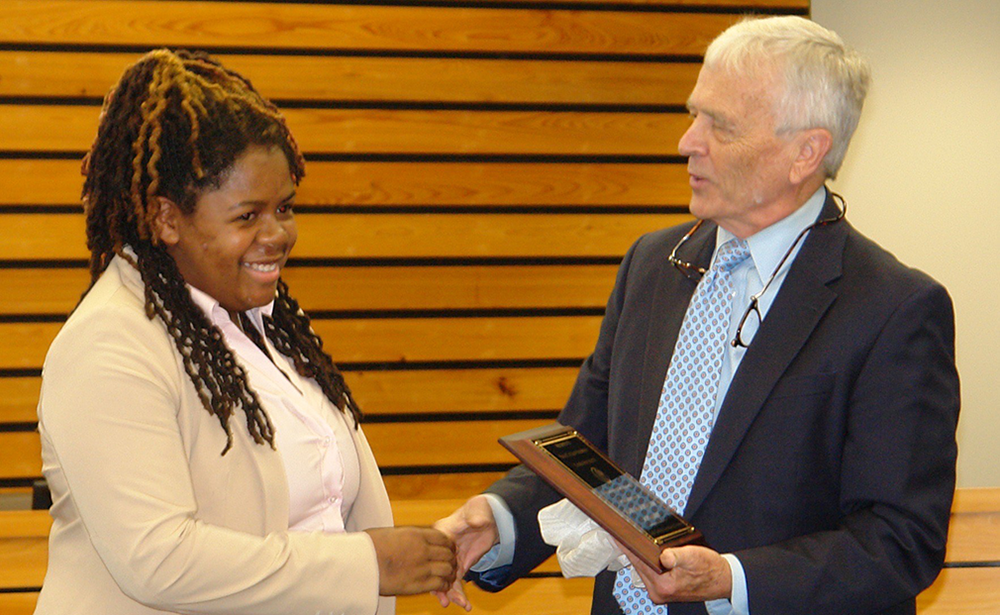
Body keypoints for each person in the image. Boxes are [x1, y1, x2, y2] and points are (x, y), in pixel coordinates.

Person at [435, 15, 960, 615]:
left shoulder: (894, 310)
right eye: (694, 114)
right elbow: (591, 454)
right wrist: (499, 519)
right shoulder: (652, 265)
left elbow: (900, 541)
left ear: (805, 152)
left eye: (721, 125)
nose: (688, 141)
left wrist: (733, 580)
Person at [35, 49, 456, 615]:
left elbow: (330, 503)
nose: (278, 233)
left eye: (284, 208)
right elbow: (160, 559)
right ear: (166, 218)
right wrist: (368, 565)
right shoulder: (109, 345)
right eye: (247, 216)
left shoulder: (274, 320)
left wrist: (408, 562)